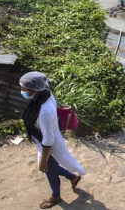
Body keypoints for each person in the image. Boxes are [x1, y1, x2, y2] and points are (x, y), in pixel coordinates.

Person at [20, 71, 86, 209]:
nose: (21, 91)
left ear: (33, 90)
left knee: (48, 169)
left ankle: (55, 196)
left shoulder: (43, 112)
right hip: (46, 139)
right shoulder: (46, 94)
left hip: (49, 145)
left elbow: (48, 140)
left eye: (24, 89)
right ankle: (72, 177)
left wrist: (44, 160)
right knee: (50, 168)